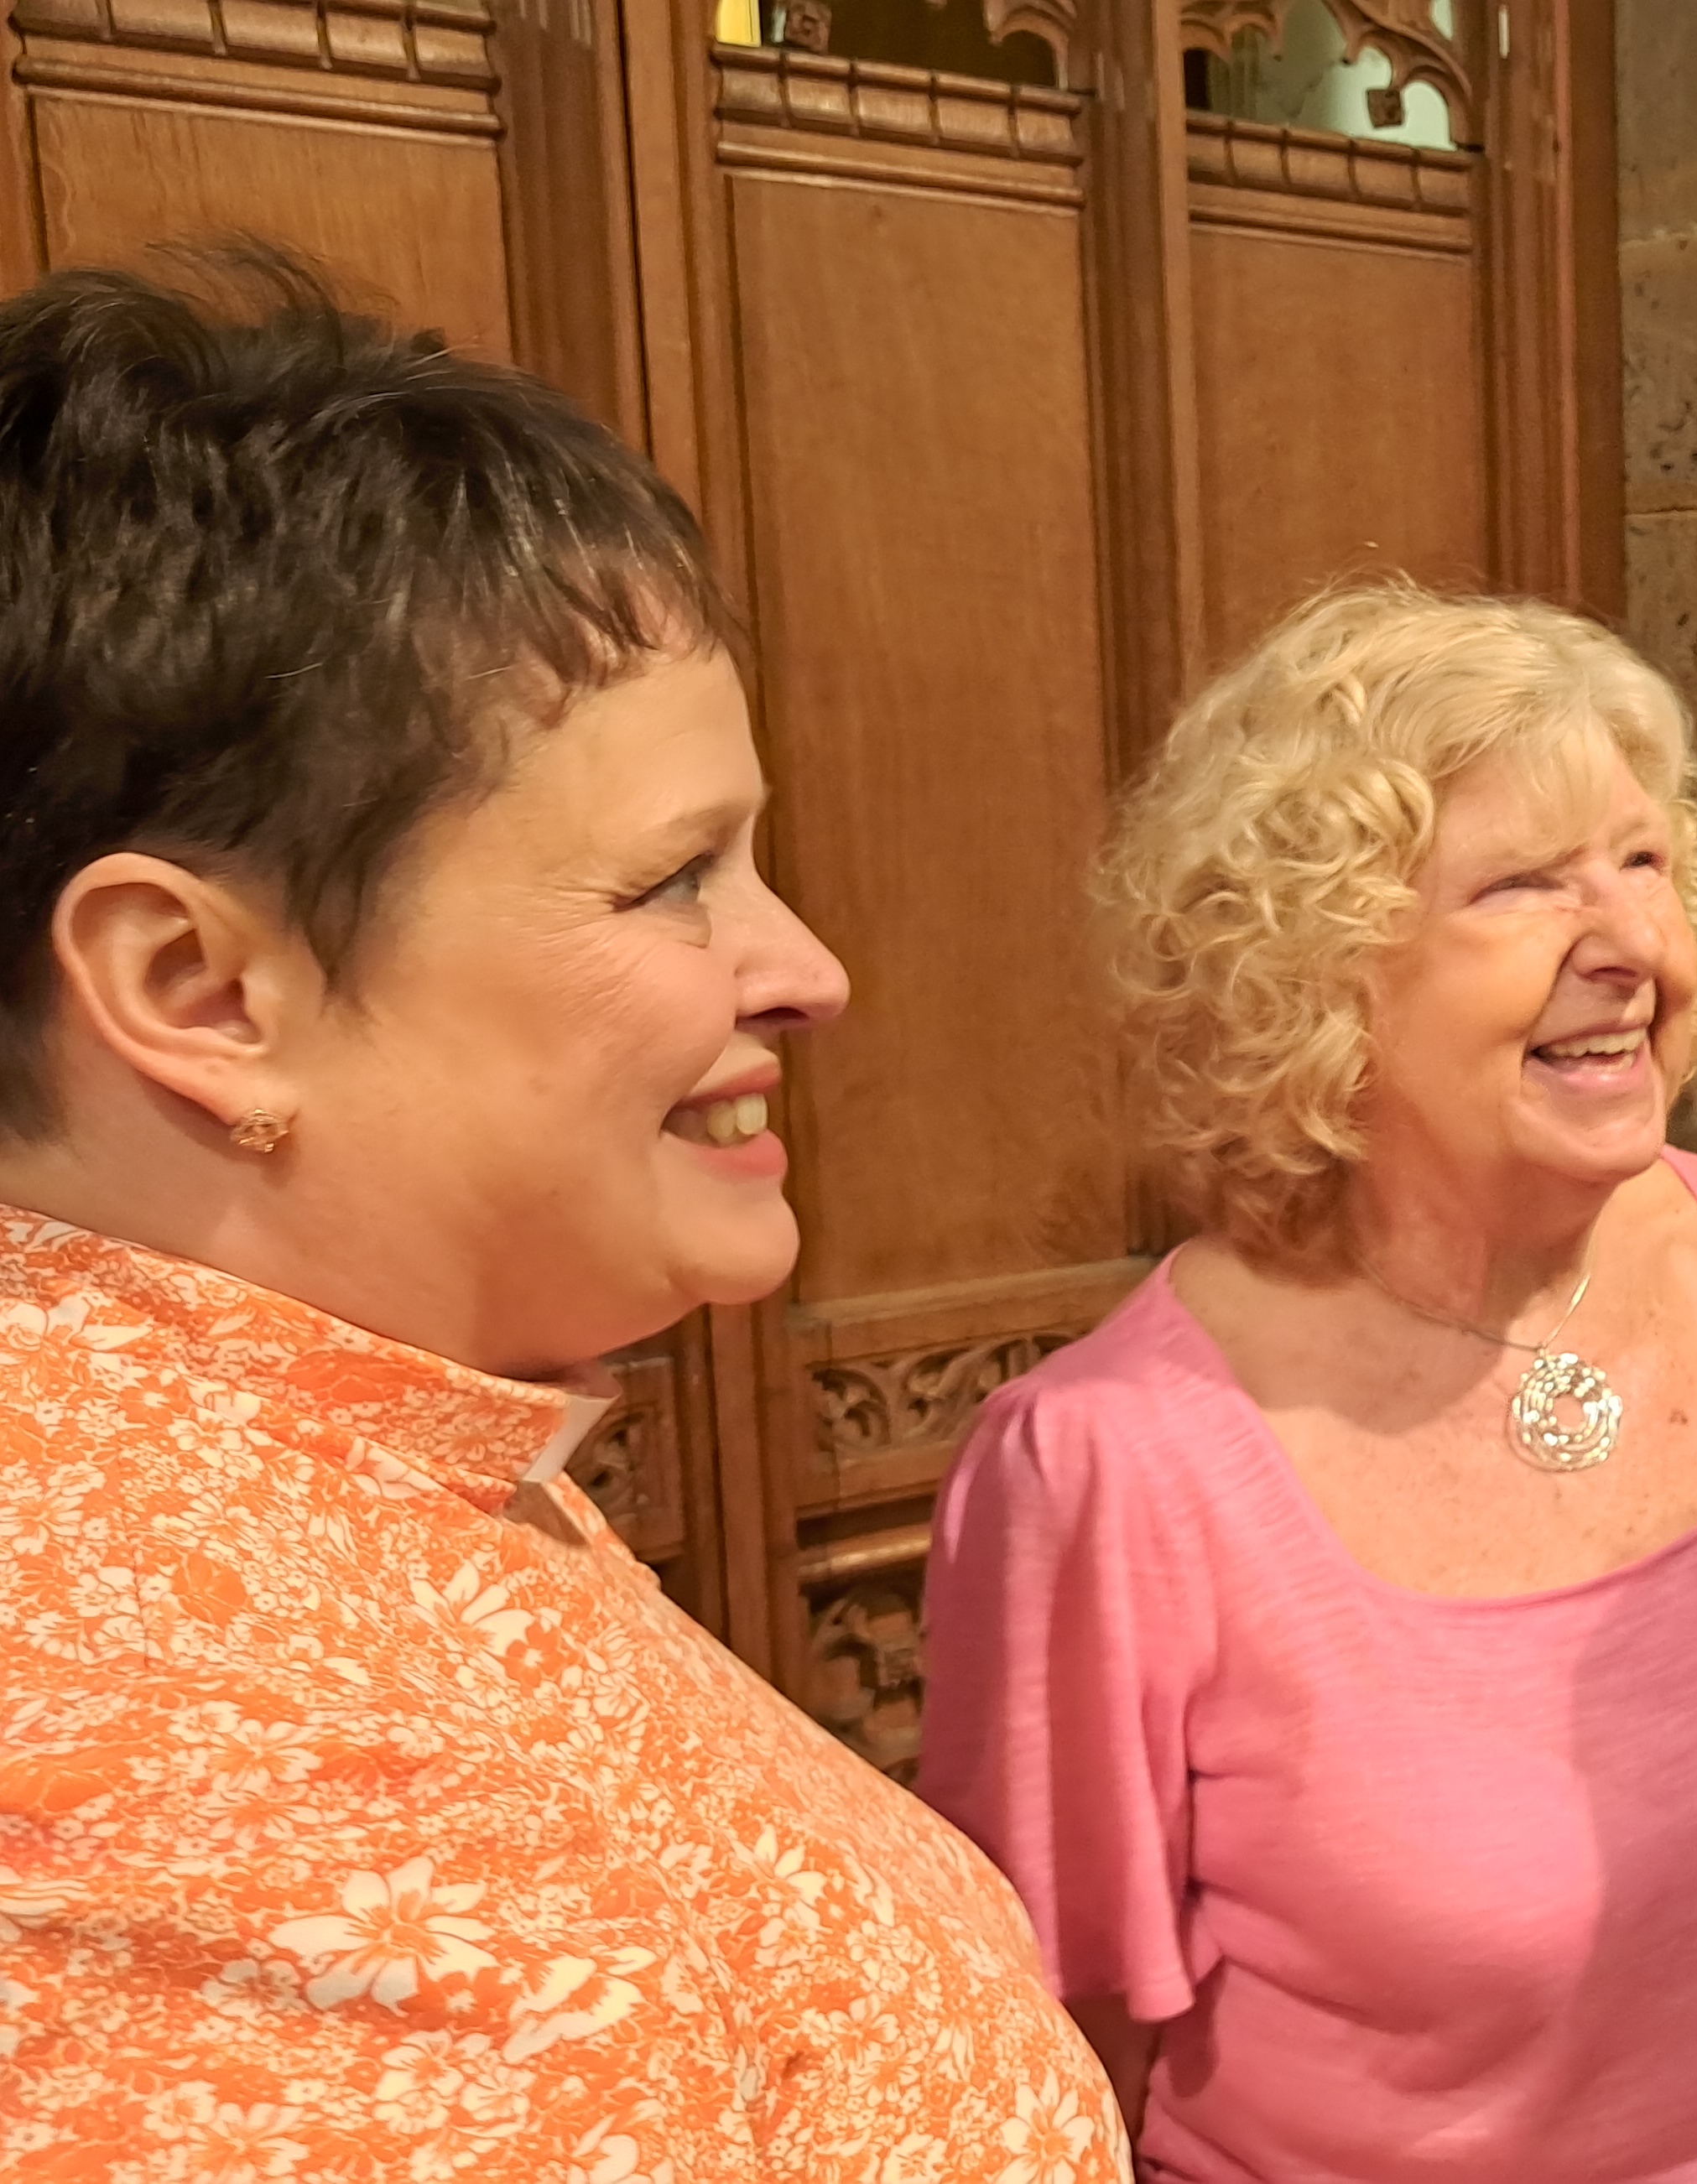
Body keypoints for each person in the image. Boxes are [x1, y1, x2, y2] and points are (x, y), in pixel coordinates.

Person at [0, 256, 1127, 2179]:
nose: (808, 971)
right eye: (671, 881)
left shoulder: (354, 1431)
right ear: (200, 990)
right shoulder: (193, 1798)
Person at [917, 583, 1697, 2184]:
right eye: (1523, 885)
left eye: (1643, 864)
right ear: (1318, 977)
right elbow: (1044, 2059)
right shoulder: (1109, 1466)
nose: (1629, 945)